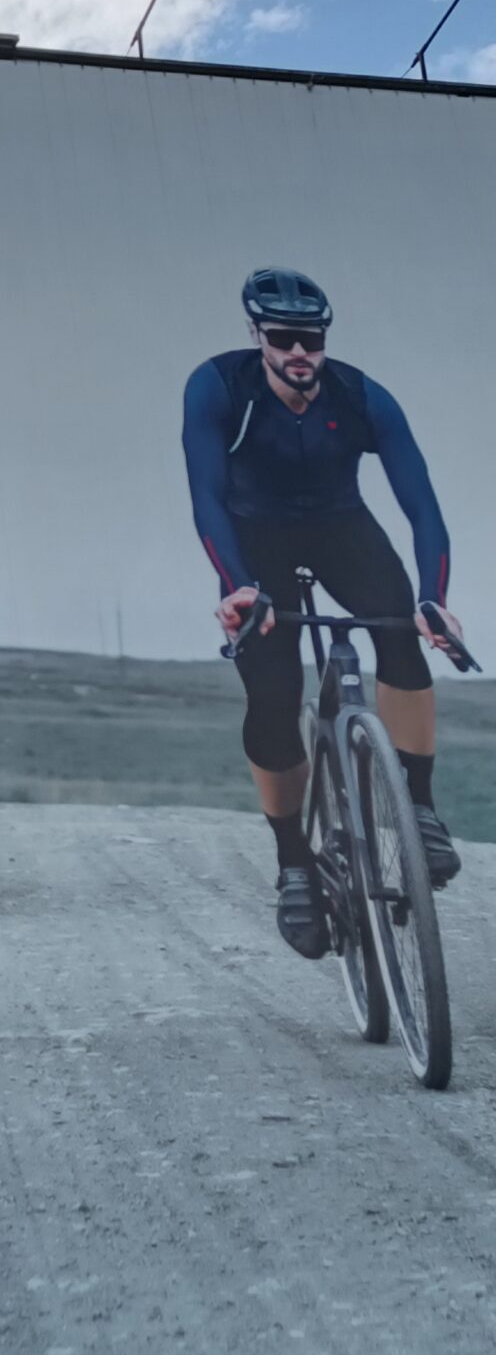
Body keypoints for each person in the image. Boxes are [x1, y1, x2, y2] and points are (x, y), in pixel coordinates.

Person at [182, 266, 464, 957]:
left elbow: (422, 505)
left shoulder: (361, 397)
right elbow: (207, 496)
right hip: (256, 539)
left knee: (402, 636)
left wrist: (434, 598)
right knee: (274, 695)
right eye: (283, 337)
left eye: (311, 338)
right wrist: (238, 586)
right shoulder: (220, 387)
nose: (299, 350)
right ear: (257, 335)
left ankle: (419, 808)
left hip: (342, 528)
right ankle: (293, 863)